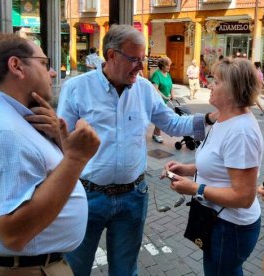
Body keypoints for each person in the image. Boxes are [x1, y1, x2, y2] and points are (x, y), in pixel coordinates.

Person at [57, 24, 213, 276]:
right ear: (111, 55)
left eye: (143, 60)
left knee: (125, 270)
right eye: (134, 59)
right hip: (86, 196)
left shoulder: (143, 89)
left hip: (132, 196)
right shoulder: (76, 88)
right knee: (76, 268)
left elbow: (172, 123)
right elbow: (60, 141)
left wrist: (210, 120)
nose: (141, 67)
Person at [0, 33, 100, 275]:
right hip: (26, 269)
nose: (53, 73)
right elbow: (13, 234)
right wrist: (76, 158)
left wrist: (59, 139)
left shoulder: (9, 115)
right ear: (16, 66)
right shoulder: (4, 131)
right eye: (44, 64)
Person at [163, 58, 264, 275]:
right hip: (218, 220)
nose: (209, 85)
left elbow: (244, 197)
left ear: (233, 90)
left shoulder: (241, 132)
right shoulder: (224, 119)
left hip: (231, 227)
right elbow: (219, 163)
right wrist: (187, 169)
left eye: (216, 82)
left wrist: (194, 189)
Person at [151, 56, 175, 143]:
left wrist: (172, 94)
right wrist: (164, 96)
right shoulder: (157, 74)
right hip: (158, 100)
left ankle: (155, 133)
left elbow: (171, 86)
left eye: (169, 65)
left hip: (166, 100)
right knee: (161, 117)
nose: (169, 67)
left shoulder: (168, 75)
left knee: (162, 116)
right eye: (167, 65)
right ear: (162, 65)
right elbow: (155, 89)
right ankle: (157, 134)